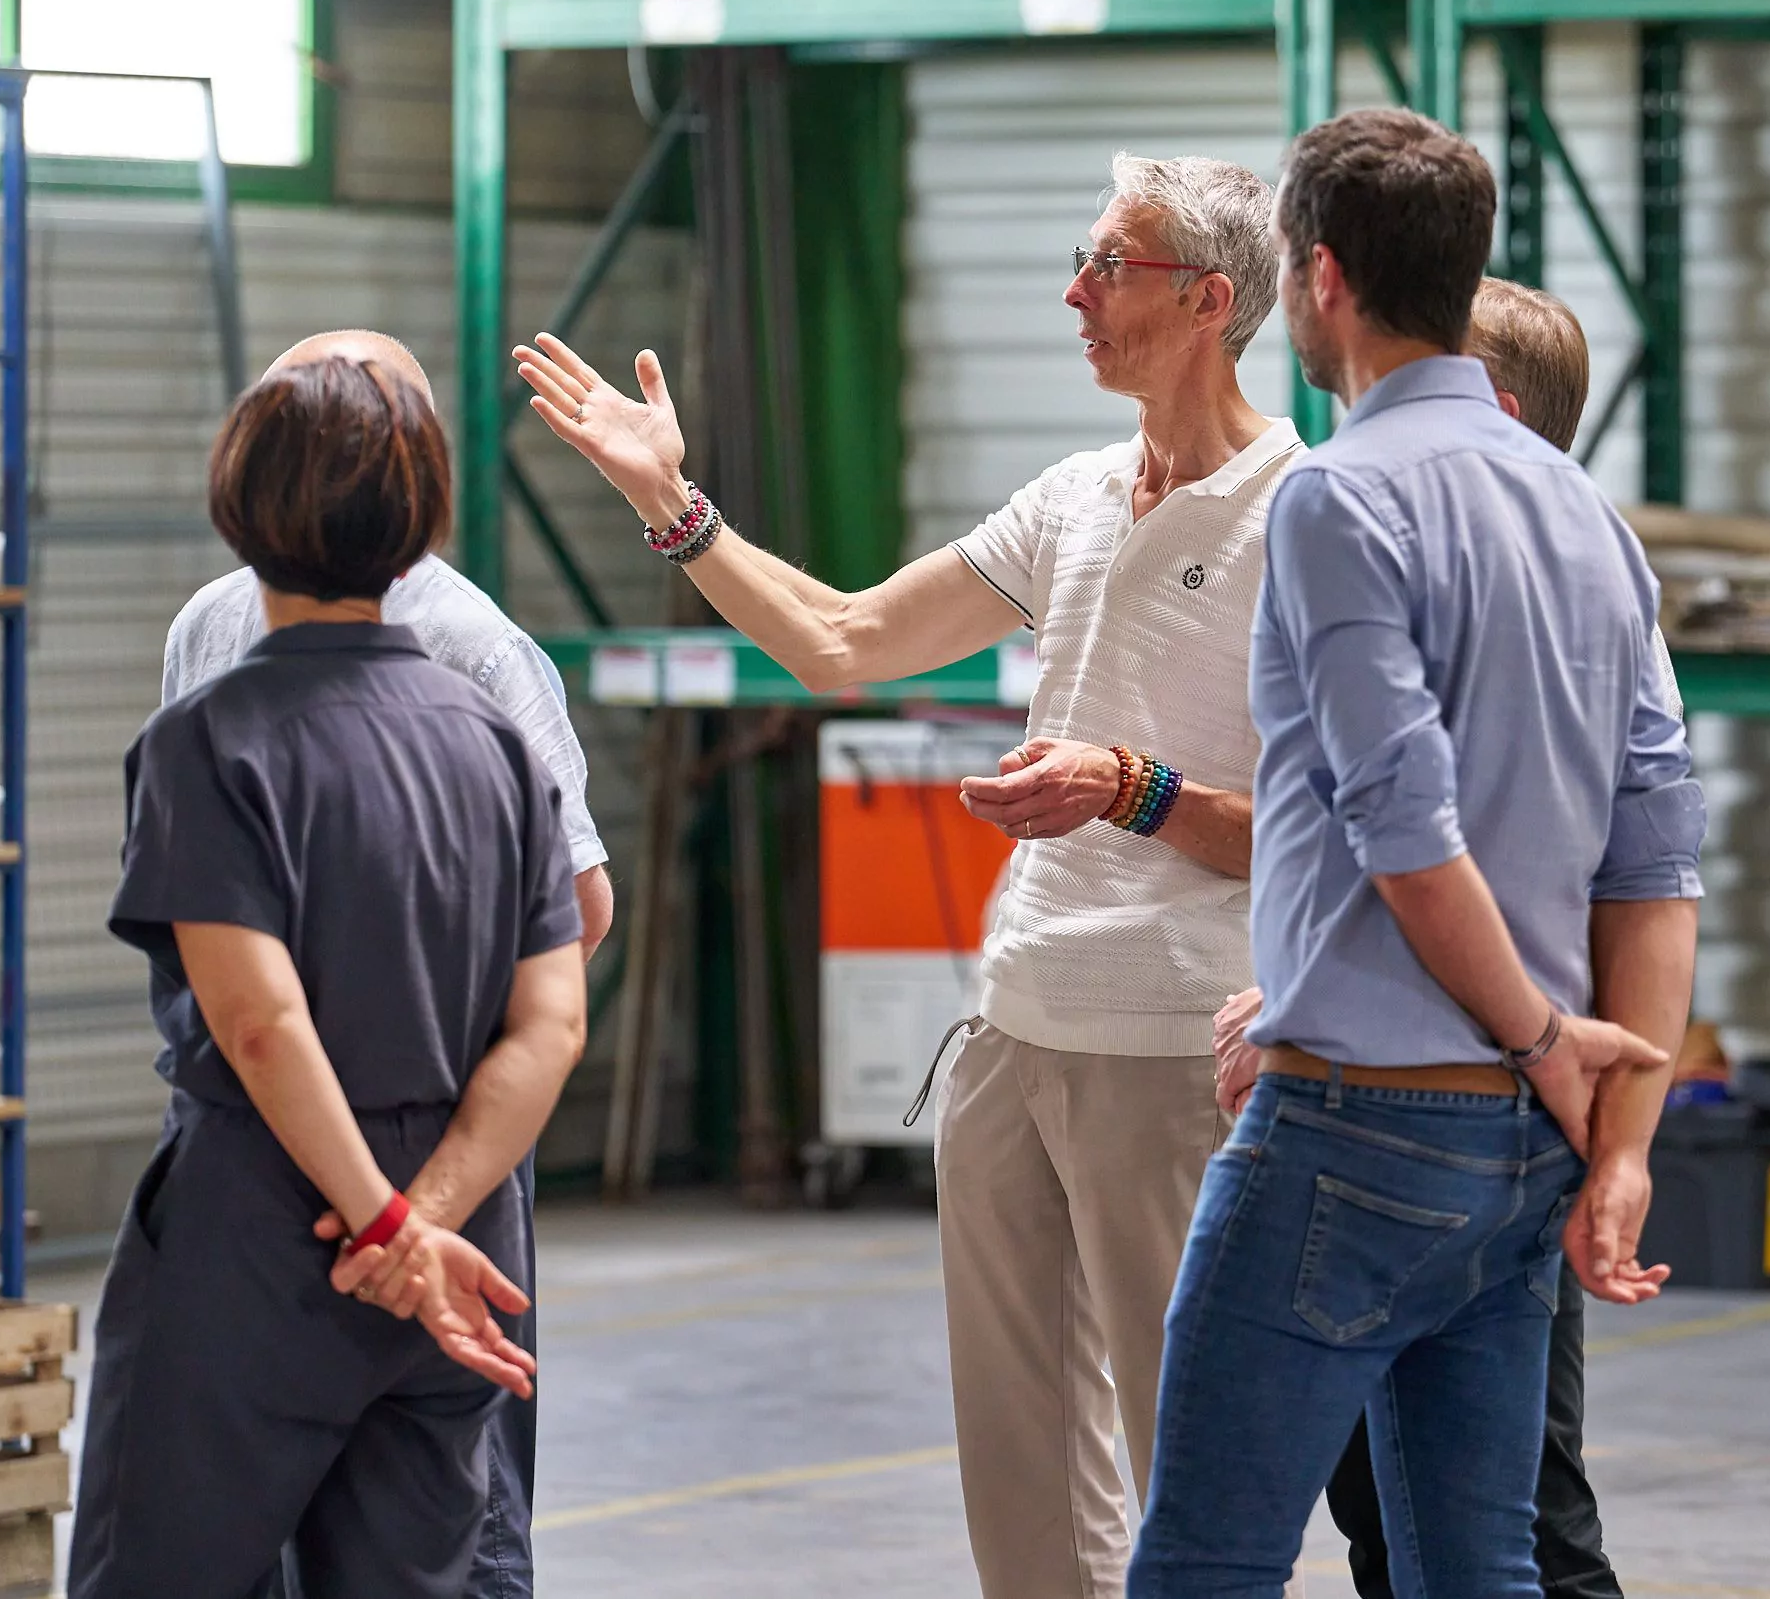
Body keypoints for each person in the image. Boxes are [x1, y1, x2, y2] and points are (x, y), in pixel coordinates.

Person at [516, 154, 1298, 1599]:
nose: (1073, 293)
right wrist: (673, 503)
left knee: (1193, 1463)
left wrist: (1133, 786)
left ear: (1204, 302)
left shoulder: (1299, 516)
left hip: (1170, 1043)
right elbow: (844, 638)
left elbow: (1328, 825)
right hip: (1012, 1031)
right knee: (1020, 1473)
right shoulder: (1072, 497)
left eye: (1107, 268)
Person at [1128, 110, 1704, 1598]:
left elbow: (1403, 822)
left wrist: (1537, 1032)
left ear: (1318, 278)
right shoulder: (1588, 516)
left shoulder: (1338, 494)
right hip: (1527, 1147)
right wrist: (1614, 1127)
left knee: (1204, 1559)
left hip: (1357, 1128)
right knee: (1478, 1568)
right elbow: (1656, 850)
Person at [71, 354, 590, 1599]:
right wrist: (434, 1215)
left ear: (238, 504)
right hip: (462, 1255)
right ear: (419, 526)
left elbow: (258, 1025)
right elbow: (552, 1023)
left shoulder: (207, 740)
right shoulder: (494, 744)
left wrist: (382, 1220)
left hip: (267, 1233)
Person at [1211, 275, 1645, 1599]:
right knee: (1428, 1523)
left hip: (1449, 1112)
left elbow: (1418, 842)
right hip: (1494, 1106)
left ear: (1490, 408)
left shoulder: (1504, 589)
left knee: (1503, 1517)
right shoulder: (1540, 579)